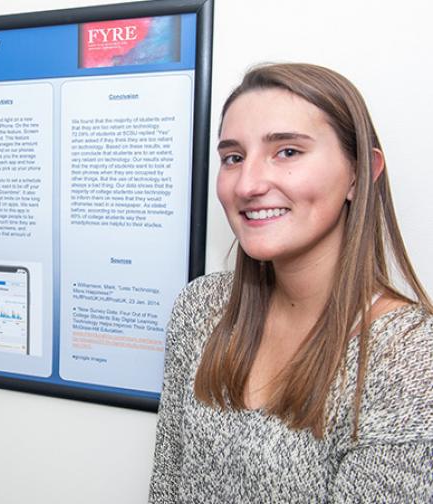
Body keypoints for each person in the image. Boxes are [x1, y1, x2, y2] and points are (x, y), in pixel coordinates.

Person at [149, 64, 433, 502]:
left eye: (287, 152)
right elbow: (167, 485)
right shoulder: (202, 307)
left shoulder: (408, 356)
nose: (248, 184)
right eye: (233, 157)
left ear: (359, 173)